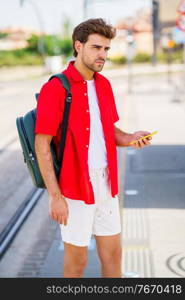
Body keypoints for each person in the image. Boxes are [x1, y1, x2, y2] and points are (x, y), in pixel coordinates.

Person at [35, 18, 152, 278]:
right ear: (79, 46)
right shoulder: (56, 88)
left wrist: (132, 137)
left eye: (106, 49)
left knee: (113, 256)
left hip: (106, 185)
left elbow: (110, 131)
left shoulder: (104, 84)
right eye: (97, 48)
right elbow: (41, 144)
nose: (103, 55)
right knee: (77, 264)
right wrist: (55, 196)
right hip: (74, 188)